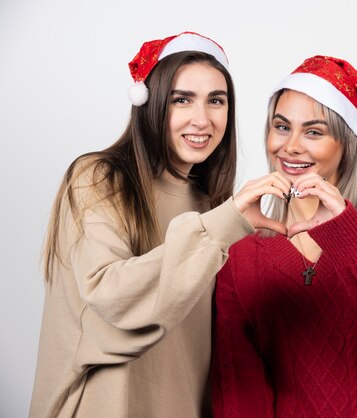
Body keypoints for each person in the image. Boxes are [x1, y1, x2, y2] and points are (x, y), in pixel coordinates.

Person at [29, 31, 286, 418]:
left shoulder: (210, 203)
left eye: (216, 101)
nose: (202, 119)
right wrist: (223, 224)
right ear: (149, 104)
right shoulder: (98, 178)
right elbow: (112, 299)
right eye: (181, 100)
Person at [209, 55, 357, 417]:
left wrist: (344, 230)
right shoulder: (241, 247)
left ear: (347, 143)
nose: (291, 146)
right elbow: (239, 385)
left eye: (314, 132)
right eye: (281, 126)